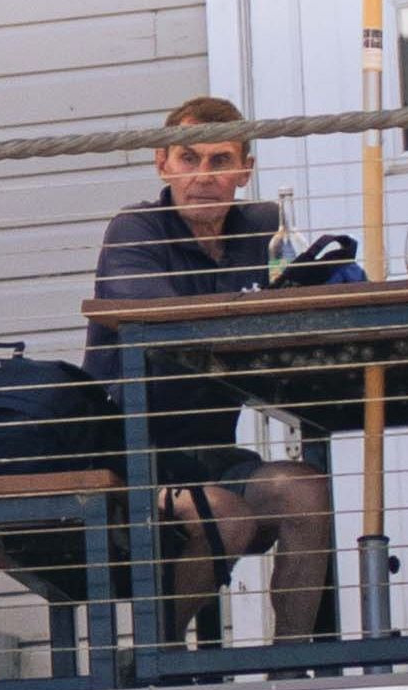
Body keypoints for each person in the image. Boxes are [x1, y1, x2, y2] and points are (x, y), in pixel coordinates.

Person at [90, 94, 332, 643]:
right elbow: (165, 327)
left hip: (213, 455)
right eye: (188, 159)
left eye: (220, 161)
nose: (203, 175)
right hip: (131, 459)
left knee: (304, 488)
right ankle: (156, 659)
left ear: (244, 169)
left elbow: (294, 318)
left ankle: (295, 668)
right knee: (224, 515)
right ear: (162, 163)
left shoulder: (264, 230)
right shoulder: (135, 229)